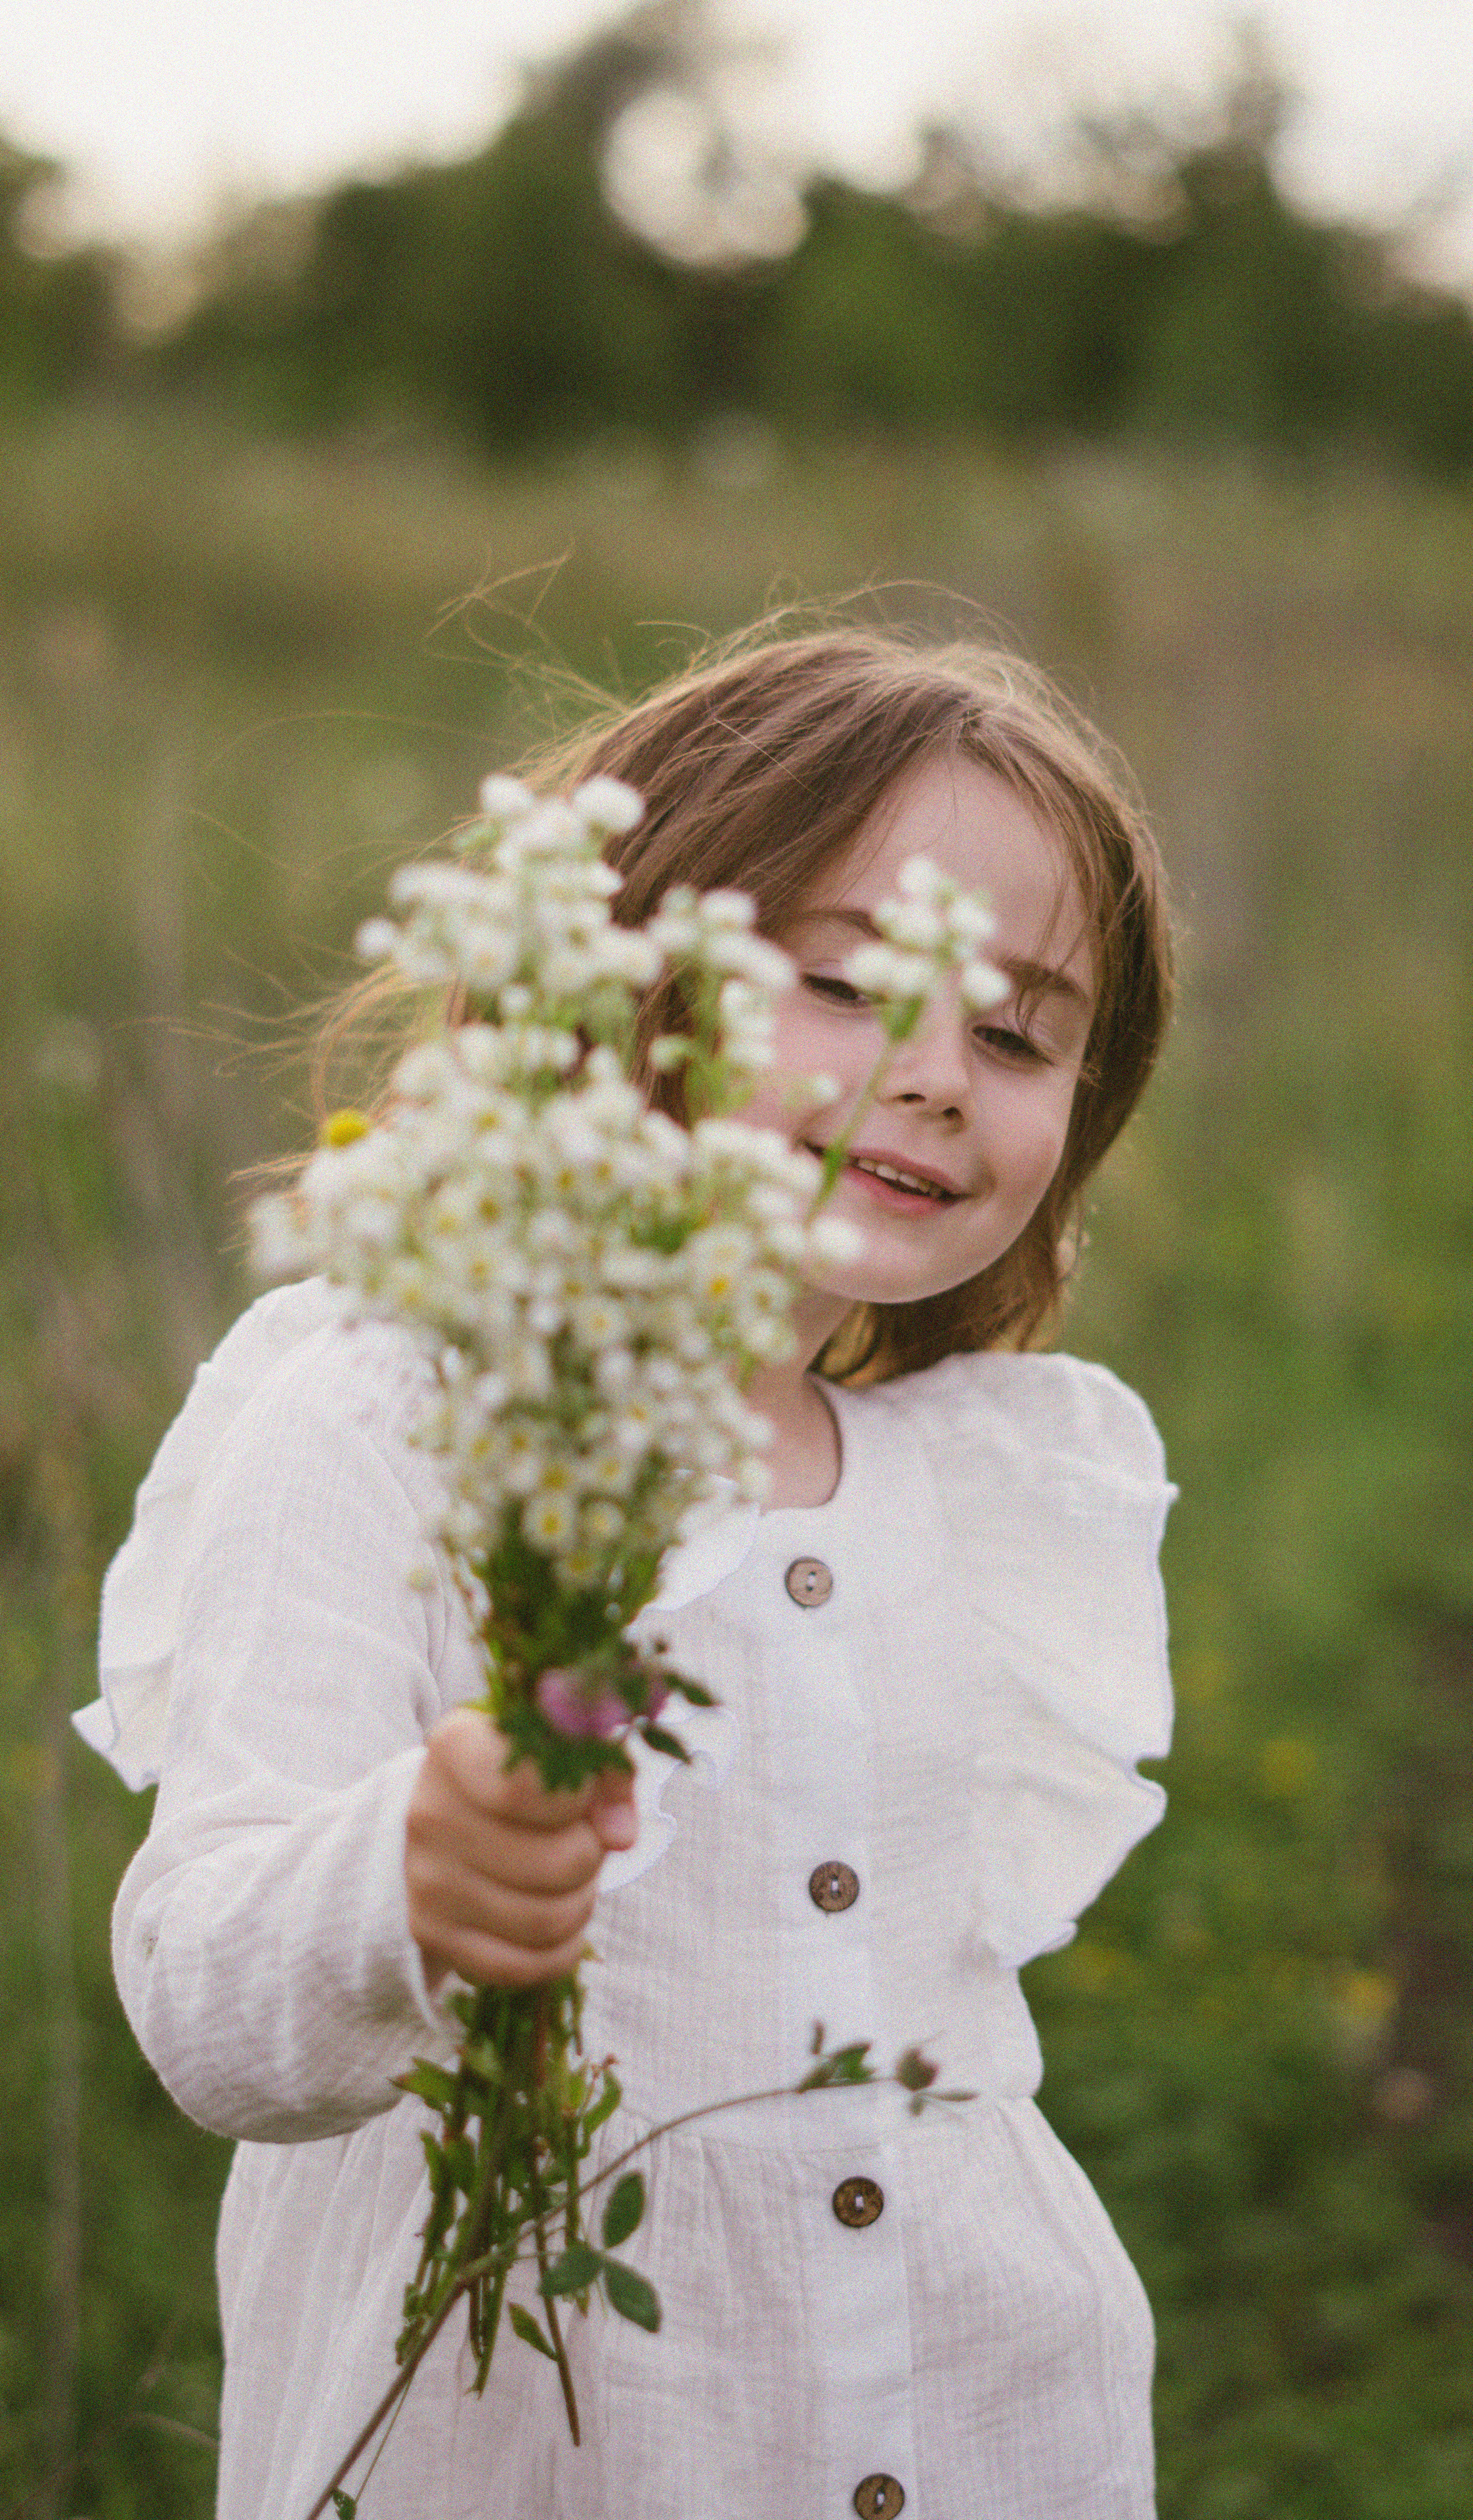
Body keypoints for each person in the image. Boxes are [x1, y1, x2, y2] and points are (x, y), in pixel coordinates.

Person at [77, 627, 1178, 2519]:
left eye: (1015, 1034)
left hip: (990, 2416)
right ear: (620, 976)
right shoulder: (388, 1411)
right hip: (539, 2455)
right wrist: (407, 1878)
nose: (926, 1076)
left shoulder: (966, 1486)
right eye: (838, 984)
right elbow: (207, 1993)